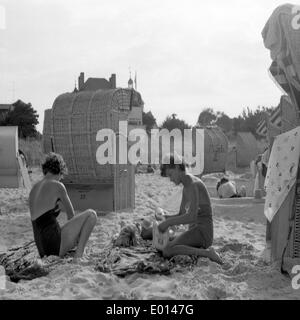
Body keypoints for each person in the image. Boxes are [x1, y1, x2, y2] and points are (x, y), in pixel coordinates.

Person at [156, 154, 223, 264]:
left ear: (177, 168)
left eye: (171, 174)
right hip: (194, 230)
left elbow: (191, 217)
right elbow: (181, 214)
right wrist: (164, 218)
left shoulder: (193, 184)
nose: (171, 179)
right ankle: (199, 250)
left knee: (167, 251)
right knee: (165, 243)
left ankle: (208, 253)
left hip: (203, 232)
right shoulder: (186, 187)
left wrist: (168, 223)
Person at [29, 152, 97, 259]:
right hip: (53, 247)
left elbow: (42, 221)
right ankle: (78, 256)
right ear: (60, 171)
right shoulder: (58, 185)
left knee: (61, 229)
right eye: (61, 176)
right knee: (91, 215)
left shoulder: (34, 189)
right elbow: (71, 215)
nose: (61, 179)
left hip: (42, 250)